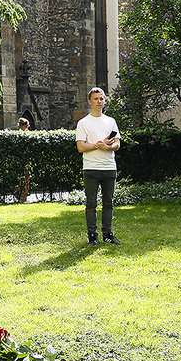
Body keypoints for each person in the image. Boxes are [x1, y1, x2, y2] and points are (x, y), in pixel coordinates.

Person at [75, 87, 121, 246]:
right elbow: (80, 147)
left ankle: (108, 235)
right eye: (96, 99)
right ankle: (92, 236)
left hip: (109, 168)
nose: (99, 101)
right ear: (89, 101)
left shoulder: (111, 121)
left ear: (104, 100)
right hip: (91, 170)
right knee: (91, 204)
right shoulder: (83, 123)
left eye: (101, 98)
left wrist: (109, 147)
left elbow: (117, 144)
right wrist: (97, 145)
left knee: (109, 203)